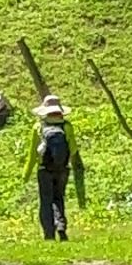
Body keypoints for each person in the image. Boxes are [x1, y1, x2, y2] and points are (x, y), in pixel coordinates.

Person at [29, 93, 82, 239]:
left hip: (44, 169)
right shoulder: (67, 126)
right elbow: (73, 149)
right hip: (62, 169)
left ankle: (49, 234)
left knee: (46, 200)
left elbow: (33, 152)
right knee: (59, 198)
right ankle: (61, 227)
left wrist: (26, 174)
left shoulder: (39, 127)